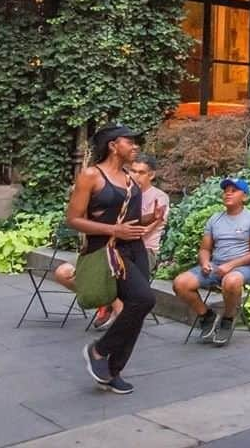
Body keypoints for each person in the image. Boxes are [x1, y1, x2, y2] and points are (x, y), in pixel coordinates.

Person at [65, 125, 164, 394]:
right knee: (145, 298)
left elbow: (128, 220)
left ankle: (113, 370)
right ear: (112, 145)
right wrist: (114, 231)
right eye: (129, 142)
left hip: (135, 249)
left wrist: (149, 218)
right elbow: (73, 219)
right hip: (109, 251)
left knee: (138, 308)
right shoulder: (90, 176)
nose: (135, 147)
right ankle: (99, 350)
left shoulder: (131, 179)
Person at [53, 154, 169, 330]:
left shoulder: (158, 198)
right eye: (132, 171)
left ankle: (113, 308)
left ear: (151, 175)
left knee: (115, 274)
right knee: (63, 272)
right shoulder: (119, 192)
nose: (135, 175)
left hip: (142, 252)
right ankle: (112, 303)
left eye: (141, 172)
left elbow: (142, 231)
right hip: (108, 247)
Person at [172, 177, 250, 347]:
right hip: (216, 265)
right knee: (180, 283)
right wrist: (205, 262)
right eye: (226, 191)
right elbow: (205, 249)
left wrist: (230, 265)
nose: (228, 194)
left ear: (244, 197)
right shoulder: (214, 219)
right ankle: (207, 316)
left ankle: (228, 320)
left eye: (233, 191)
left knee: (231, 281)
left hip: (243, 267)